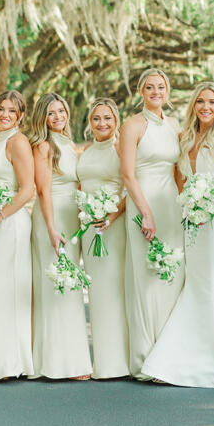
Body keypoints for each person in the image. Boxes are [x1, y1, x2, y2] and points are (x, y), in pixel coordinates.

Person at [142, 82, 214, 388]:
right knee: (196, 282)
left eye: (212, 103)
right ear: (194, 106)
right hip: (191, 220)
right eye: (201, 102)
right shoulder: (185, 138)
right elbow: (179, 179)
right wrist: (189, 205)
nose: (206, 107)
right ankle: (181, 359)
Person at [119, 68, 182, 378]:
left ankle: (171, 354)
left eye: (161, 87)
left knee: (172, 274)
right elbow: (127, 174)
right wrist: (145, 211)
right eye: (150, 87)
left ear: (167, 91)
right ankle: (146, 358)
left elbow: (180, 168)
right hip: (144, 202)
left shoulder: (173, 124)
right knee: (146, 279)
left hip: (170, 202)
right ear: (140, 92)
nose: (156, 92)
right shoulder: (132, 125)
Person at [30, 92, 92, 380]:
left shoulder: (68, 143)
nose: (57, 117)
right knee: (55, 287)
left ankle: (74, 361)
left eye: (61, 111)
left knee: (70, 287)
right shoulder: (43, 147)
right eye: (51, 113)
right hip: (51, 220)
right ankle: (55, 363)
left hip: (72, 219)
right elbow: (43, 190)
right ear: (42, 116)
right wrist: (52, 227)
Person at [0, 90, 34, 381]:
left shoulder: (18, 142)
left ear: (21, 116)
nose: (5, 115)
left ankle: (9, 363)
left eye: (12, 111)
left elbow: (27, 189)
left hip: (11, 224)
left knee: (5, 290)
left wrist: (0, 214)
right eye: (1, 109)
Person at [77, 98, 129, 379]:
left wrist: (111, 215)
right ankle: (104, 361)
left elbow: (126, 186)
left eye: (107, 118)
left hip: (113, 226)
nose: (102, 123)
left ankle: (120, 361)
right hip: (89, 227)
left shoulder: (120, 148)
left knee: (114, 290)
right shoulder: (85, 150)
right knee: (97, 292)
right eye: (97, 118)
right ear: (90, 122)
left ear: (116, 120)